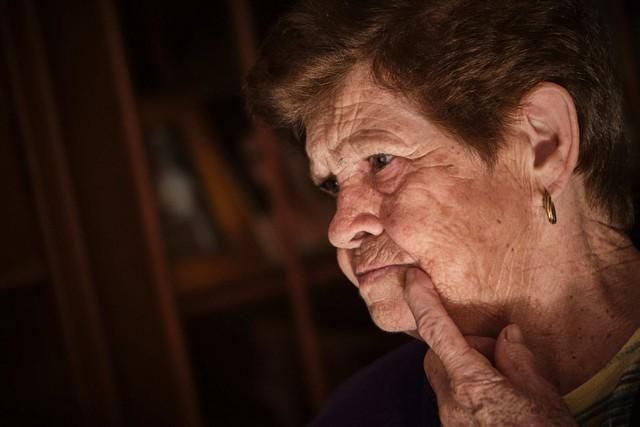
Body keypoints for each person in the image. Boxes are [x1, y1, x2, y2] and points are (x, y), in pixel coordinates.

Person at [246, 0, 640, 425]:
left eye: (381, 160)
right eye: (331, 185)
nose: (340, 231)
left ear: (544, 144)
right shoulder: (359, 414)